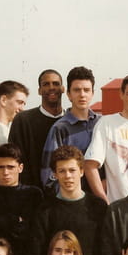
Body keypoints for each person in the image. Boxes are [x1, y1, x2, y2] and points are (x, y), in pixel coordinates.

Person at [29, 145, 108, 255]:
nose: (68, 176)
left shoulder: (98, 207)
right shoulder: (45, 210)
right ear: (55, 174)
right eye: (62, 171)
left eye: (72, 170)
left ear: (81, 171)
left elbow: (104, 251)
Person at [84, 73, 128, 203]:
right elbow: (90, 165)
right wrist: (104, 202)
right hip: (118, 206)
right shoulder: (107, 123)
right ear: (121, 94)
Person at [40, 66, 101, 194]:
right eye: (77, 90)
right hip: (73, 199)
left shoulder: (101, 123)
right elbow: (49, 174)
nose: (82, 95)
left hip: (104, 196)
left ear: (92, 93)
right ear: (68, 94)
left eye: (86, 90)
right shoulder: (60, 128)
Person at [8, 69, 65, 189]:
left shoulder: (70, 121)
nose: (51, 87)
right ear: (39, 90)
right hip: (32, 194)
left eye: (56, 84)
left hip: (66, 194)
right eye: (46, 84)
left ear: (63, 89)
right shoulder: (23, 120)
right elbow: (15, 160)